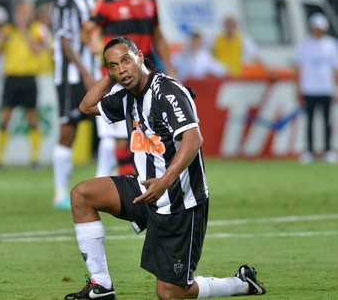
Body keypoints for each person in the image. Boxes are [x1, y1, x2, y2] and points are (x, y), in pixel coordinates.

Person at [65, 36, 267, 299]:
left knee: (170, 293)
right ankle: (101, 286)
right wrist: (113, 77)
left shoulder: (167, 91)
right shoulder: (127, 95)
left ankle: (242, 284)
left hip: (181, 199)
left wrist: (165, 181)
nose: (121, 69)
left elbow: (193, 139)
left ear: (139, 55)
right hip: (145, 189)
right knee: (82, 194)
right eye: (113, 66)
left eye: (126, 60)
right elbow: (87, 105)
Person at [88, 0, 177, 178]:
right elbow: (87, 31)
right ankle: (114, 183)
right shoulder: (107, 0)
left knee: (139, 132)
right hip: (117, 75)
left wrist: (171, 68)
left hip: (144, 76)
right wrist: (95, 43)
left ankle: (128, 181)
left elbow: (157, 35)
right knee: (116, 136)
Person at [50, 0, 101, 209]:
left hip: (92, 72)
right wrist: (83, 71)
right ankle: (60, 192)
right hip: (71, 76)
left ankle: (105, 185)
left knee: (108, 127)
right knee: (68, 128)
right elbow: (64, 38)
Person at [0, 0, 44, 170]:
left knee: (32, 118)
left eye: (26, 12)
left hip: (29, 78)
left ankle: (35, 160)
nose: (23, 16)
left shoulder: (36, 30)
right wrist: (1, 40)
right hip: (11, 78)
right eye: (20, 12)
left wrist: (25, 33)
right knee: (5, 118)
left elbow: (38, 50)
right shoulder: (7, 31)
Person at [294, 13, 338, 165]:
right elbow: (298, 69)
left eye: (319, 28)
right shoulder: (304, 45)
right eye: (314, 28)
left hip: (326, 88)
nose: (317, 31)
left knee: (327, 121)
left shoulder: (331, 45)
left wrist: (335, 89)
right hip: (309, 88)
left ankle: (328, 150)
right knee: (310, 121)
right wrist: (298, 89)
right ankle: (309, 151)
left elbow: (335, 69)